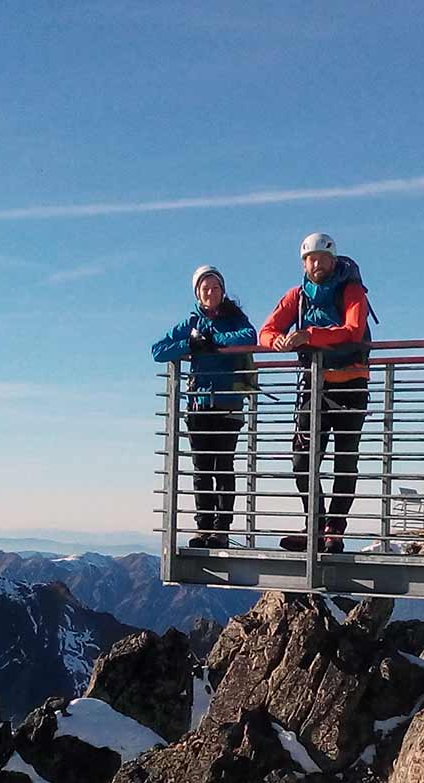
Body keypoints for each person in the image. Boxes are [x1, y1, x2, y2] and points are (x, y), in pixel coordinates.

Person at [260, 232, 372, 553]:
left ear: (333, 260)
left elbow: (353, 330)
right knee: (302, 458)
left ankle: (334, 529)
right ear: (303, 263)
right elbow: (265, 331)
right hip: (314, 384)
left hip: (351, 382)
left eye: (321, 258)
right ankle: (316, 525)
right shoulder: (298, 296)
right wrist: (279, 341)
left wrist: (307, 335)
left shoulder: (351, 290)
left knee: (344, 459)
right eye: (310, 259)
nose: (316, 264)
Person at [152, 265, 259, 549]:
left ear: (223, 291)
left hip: (227, 404)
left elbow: (249, 337)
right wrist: (189, 342)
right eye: (205, 288)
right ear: (197, 293)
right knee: (202, 468)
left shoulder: (235, 318)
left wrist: (211, 341)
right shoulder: (191, 323)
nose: (211, 292)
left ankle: (220, 529)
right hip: (199, 405)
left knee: (222, 466)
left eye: (215, 288)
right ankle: (203, 527)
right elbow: (158, 350)